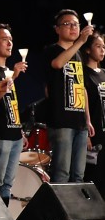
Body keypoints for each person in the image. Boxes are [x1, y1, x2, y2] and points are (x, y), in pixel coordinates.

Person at [45, 9, 94, 183]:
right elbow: (57, 64)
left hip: (80, 122)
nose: (73, 27)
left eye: (76, 24)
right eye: (68, 24)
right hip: (61, 121)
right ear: (57, 29)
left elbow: (82, 88)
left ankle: (75, 210)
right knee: (61, 172)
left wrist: (87, 120)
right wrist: (80, 41)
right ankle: (57, 210)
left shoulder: (79, 54)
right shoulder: (52, 50)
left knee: (78, 174)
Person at [0, 23, 28, 205]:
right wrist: (14, 77)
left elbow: (12, 104)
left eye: (11, 39)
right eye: (4, 39)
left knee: (7, 185)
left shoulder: (7, 70)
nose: (9, 43)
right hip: (0, 133)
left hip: (14, 134)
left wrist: (20, 130)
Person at [81, 30, 105, 194]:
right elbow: (83, 102)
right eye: (98, 46)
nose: (102, 50)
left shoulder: (104, 74)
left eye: (104, 47)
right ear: (88, 49)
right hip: (94, 131)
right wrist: (86, 132)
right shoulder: (83, 73)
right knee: (94, 176)